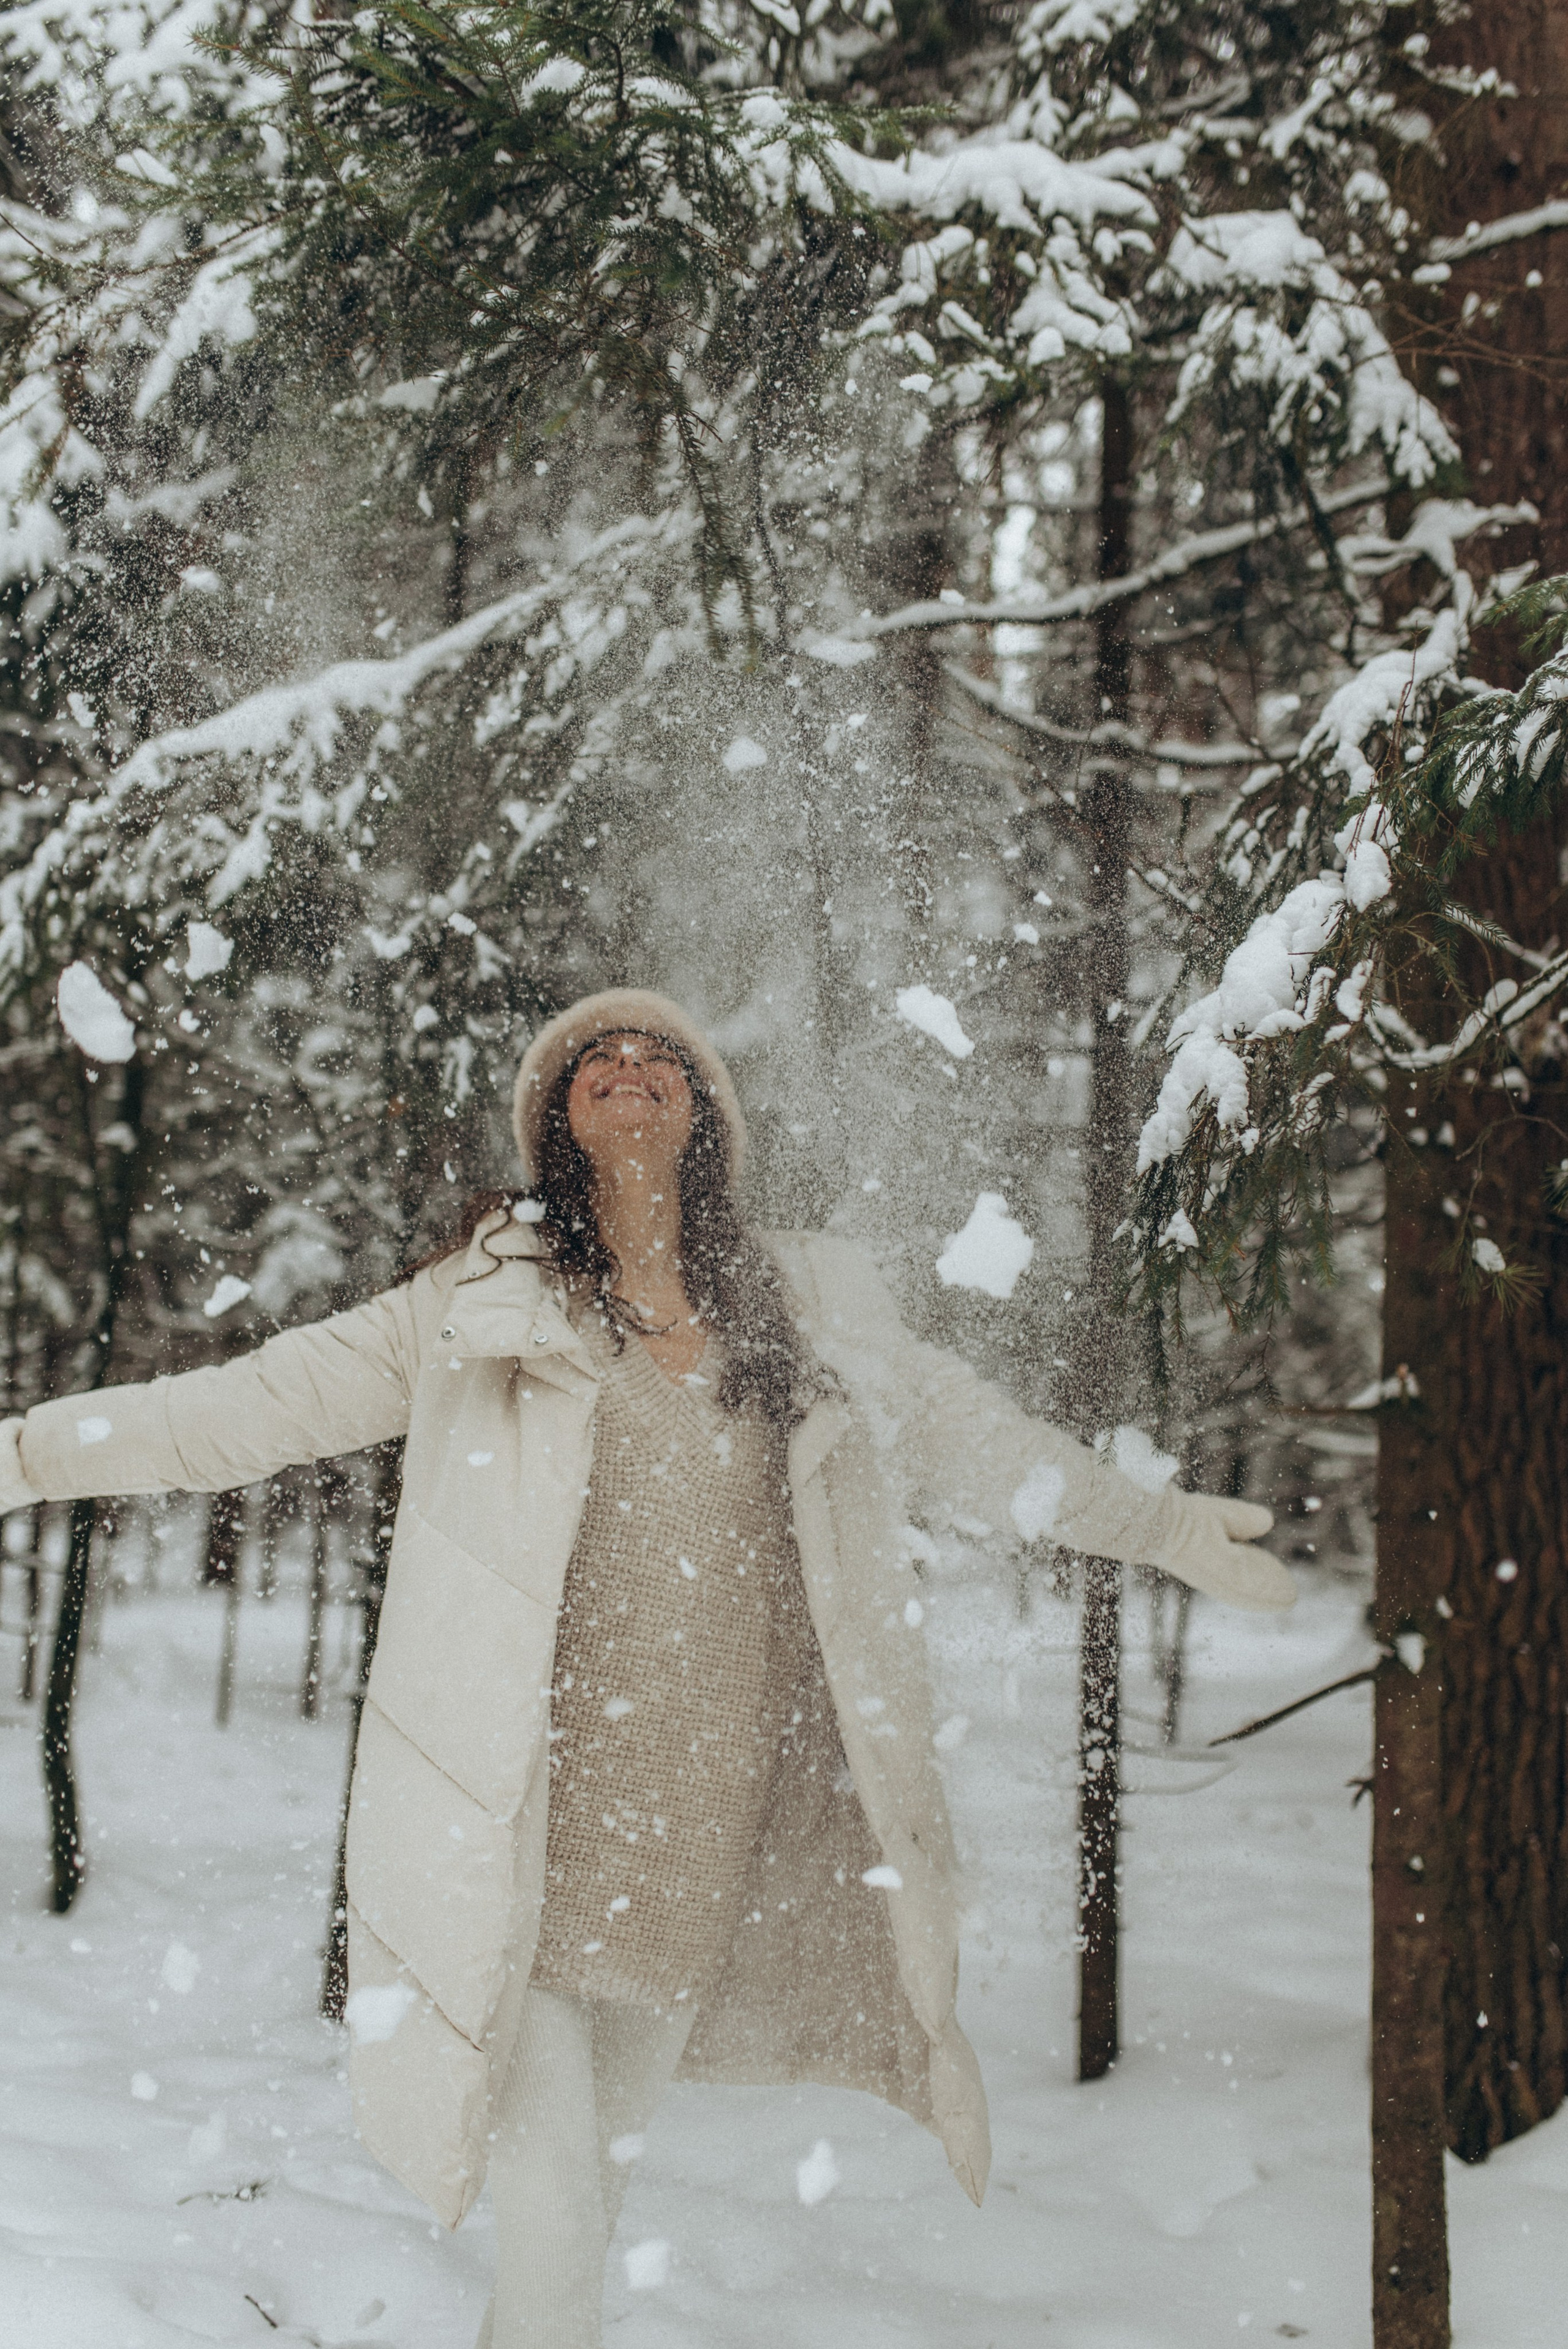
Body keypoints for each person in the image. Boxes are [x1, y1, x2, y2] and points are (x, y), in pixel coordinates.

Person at [0, 987, 1292, 2348]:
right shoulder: (481, 1302)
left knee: (575, 2230)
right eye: (593, 1060)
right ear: (554, 1117)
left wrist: (1162, 1529)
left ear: (704, 1114)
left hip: (695, 1845)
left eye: (656, 1054)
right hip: (520, 1839)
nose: (625, 1067)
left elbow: (983, 1442)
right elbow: (247, 1406)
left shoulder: (806, 1313)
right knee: (559, 2219)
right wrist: (23, 1453)